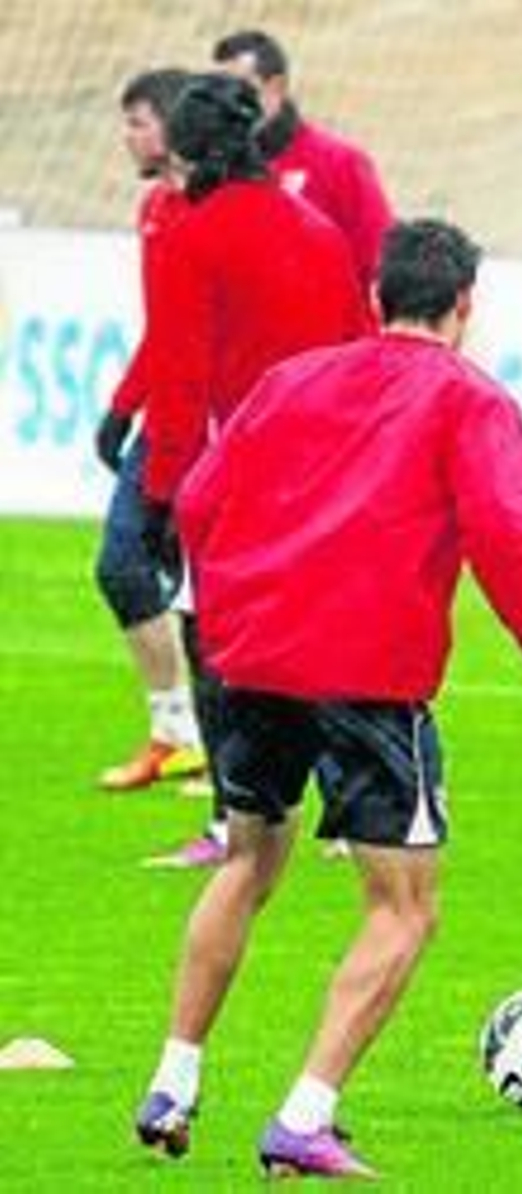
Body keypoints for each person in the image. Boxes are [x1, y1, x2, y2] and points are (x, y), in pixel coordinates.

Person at [133, 218, 522, 1178]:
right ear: (465, 306)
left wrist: (244, 610)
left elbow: (198, 500)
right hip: (364, 679)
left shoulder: (292, 380)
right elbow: (515, 550)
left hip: (249, 666)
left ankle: (172, 1082)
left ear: (374, 299)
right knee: (403, 907)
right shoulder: (470, 402)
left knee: (247, 861)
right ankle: (304, 1116)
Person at [135, 72, 371, 869]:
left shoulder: (190, 236)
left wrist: (164, 494)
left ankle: (234, 817)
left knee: (216, 640)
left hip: (236, 477)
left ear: (189, 150)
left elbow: (180, 380)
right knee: (326, 632)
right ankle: (350, 807)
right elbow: (358, 347)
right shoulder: (318, 231)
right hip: (328, 468)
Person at [92, 67, 206, 794]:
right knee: (122, 566)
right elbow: (164, 329)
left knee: (216, 597)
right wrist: (122, 407)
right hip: (164, 418)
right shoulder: (156, 209)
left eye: (138, 122)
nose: (128, 136)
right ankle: (176, 731)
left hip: (209, 427)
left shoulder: (210, 213)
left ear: (172, 127)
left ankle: (238, 759)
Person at [213, 28, 394, 289]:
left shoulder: (341, 163)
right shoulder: (213, 170)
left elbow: (379, 266)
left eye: (238, 90)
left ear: (277, 86)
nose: (226, 104)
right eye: (217, 92)